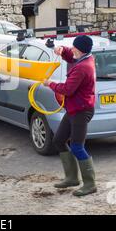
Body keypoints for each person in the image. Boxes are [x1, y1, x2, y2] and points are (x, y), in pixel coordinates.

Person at [43, 35, 97, 196]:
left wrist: (49, 84)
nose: (72, 49)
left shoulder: (83, 68)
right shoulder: (85, 58)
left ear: (80, 50)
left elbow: (67, 89)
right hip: (74, 109)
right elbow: (71, 57)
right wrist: (62, 50)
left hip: (81, 111)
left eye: (74, 47)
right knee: (59, 140)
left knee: (77, 146)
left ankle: (90, 184)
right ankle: (72, 178)